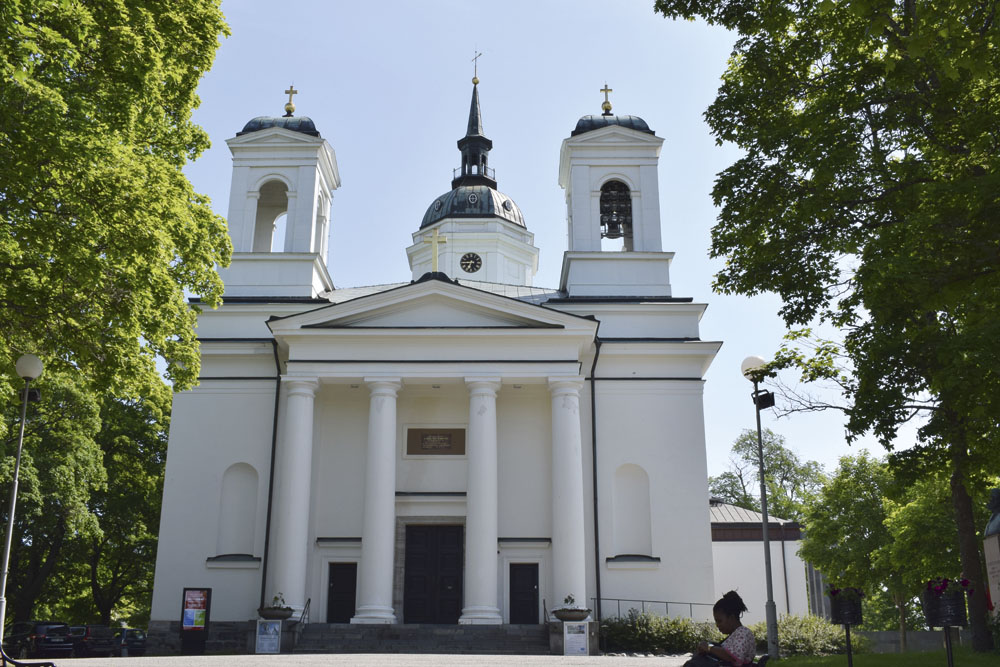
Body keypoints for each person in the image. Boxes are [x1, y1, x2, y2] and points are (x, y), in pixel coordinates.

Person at [683, 590, 757, 666]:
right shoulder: (734, 635)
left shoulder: (743, 633)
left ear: (731, 618)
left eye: (719, 621)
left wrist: (709, 648)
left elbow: (732, 656)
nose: (717, 625)